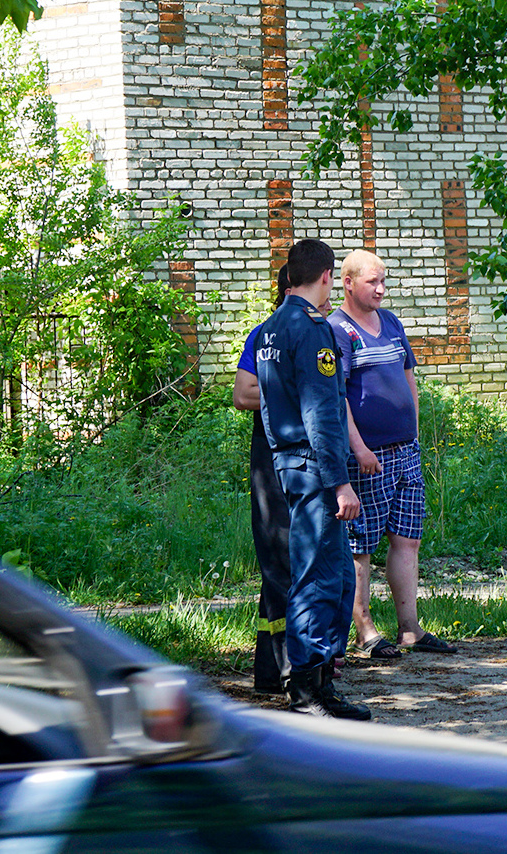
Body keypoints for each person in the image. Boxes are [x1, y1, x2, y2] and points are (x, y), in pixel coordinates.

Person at [256, 239, 370, 720]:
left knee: (339, 575)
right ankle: (305, 692)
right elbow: (322, 414)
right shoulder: (311, 330)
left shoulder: (268, 330)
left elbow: (264, 405)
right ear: (326, 276)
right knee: (317, 579)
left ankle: (322, 682)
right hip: (315, 472)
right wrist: (340, 482)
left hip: (290, 466)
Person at [328, 250, 452, 658]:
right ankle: (364, 631)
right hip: (367, 457)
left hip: (405, 452)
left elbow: (408, 378)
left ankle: (410, 628)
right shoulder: (337, 330)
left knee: (407, 539)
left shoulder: (392, 323)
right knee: (360, 544)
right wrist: (359, 447)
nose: (381, 289)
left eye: (384, 281)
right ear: (347, 283)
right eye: (372, 282)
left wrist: (413, 433)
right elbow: (336, 398)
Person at [233, 264, 297, 694]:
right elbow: (242, 394)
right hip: (271, 458)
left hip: (310, 460)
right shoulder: (264, 334)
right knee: (280, 562)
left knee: (295, 563)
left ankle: (274, 673)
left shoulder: (317, 332)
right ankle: (288, 670)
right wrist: (293, 391)